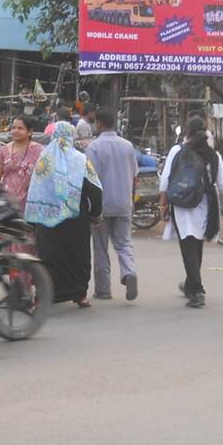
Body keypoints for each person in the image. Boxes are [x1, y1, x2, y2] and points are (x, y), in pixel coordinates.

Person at [160, 117, 223, 308]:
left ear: (187, 132)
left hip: (182, 203)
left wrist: (162, 206)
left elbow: (165, 182)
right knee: (196, 244)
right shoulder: (214, 155)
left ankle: (197, 290)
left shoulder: (177, 151)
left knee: (188, 245)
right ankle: (191, 284)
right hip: (206, 204)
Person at [25, 121, 103, 307]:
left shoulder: (43, 160)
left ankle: (44, 296)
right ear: (72, 136)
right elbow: (95, 189)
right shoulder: (81, 159)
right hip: (76, 218)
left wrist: (32, 220)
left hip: (47, 219)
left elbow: (35, 190)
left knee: (49, 258)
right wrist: (95, 214)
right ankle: (79, 294)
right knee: (78, 256)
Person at [85, 108, 139, 301]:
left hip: (102, 205)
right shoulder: (127, 146)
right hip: (124, 202)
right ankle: (129, 272)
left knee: (100, 248)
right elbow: (135, 176)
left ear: (99, 123)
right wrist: (131, 200)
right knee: (124, 244)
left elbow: (90, 179)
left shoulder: (94, 147)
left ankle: (103, 289)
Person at [0, 115, 44, 212]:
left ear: (30, 132)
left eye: (20, 128)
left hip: (30, 201)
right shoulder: (3, 151)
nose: (15, 131)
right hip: (6, 201)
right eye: (13, 128)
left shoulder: (39, 151)